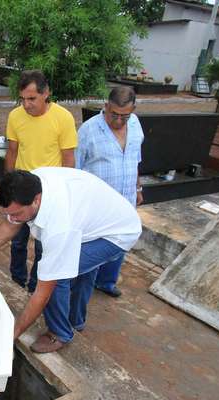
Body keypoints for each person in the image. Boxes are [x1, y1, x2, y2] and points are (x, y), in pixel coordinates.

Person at [0, 169, 141, 353]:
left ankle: (59, 333)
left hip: (116, 233)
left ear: (36, 200)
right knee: (77, 268)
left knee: (58, 277)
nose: (13, 218)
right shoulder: (28, 184)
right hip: (93, 221)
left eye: (17, 214)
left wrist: (11, 335)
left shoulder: (59, 226)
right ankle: (75, 322)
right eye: (9, 213)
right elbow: (9, 225)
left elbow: (44, 290)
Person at [4, 70, 77, 293]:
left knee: (43, 246)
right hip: (20, 191)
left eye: (32, 99)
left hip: (48, 195)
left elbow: (68, 158)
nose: (26, 105)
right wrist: (8, 188)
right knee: (17, 241)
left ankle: (35, 286)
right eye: (23, 99)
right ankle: (16, 281)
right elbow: (12, 152)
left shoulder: (63, 118)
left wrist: (64, 195)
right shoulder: (15, 116)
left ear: (46, 93)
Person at [75, 86, 144, 298]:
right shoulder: (88, 130)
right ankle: (87, 283)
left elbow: (135, 158)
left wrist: (138, 187)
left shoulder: (135, 124)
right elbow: (76, 168)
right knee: (97, 244)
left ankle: (107, 282)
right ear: (106, 106)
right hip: (98, 206)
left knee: (120, 242)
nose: (119, 120)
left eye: (125, 115)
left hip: (126, 199)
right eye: (114, 114)